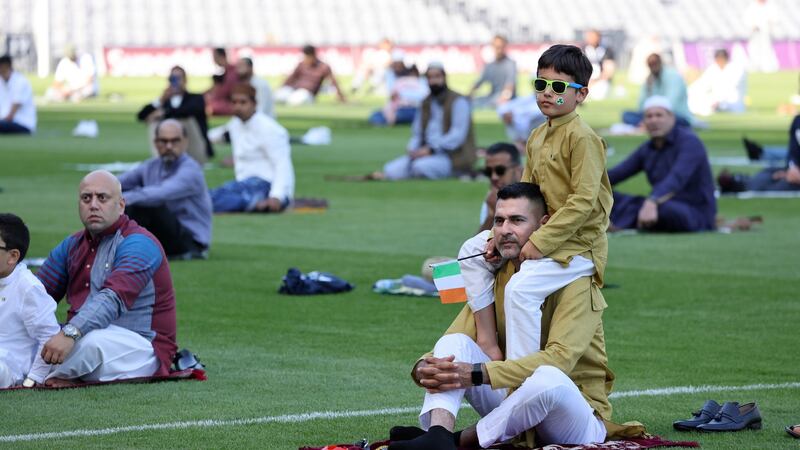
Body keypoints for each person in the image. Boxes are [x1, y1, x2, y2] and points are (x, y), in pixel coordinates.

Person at [388, 45, 633, 450]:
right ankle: (436, 436)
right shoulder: (537, 138)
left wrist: (540, 240)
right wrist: (425, 368)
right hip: (538, 257)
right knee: (463, 298)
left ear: (581, 95)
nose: (547, 92)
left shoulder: (584, 140)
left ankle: (459, 441)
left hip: (568, 399)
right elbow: (528, 195)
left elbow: (584, 201)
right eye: (540, 84)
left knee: (543, 375)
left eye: (558, 86)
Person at [35, 170, 178, 386]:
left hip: (140, 346)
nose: (93, 205)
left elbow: (112, 299)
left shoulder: (140, 244)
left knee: (91, 344)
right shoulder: (71, 245)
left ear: (121, 205)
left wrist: (69, 333)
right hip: (80, 337)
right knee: (31, 334)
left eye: (102, 198)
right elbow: (37, 295)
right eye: (86, 198)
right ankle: (57, 371)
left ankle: (43, 372)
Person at [609, 96, 717, 232]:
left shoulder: (690, 142)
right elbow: (618, 173)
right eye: (649, 116)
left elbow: (677, 178)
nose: (654, 120)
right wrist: (590, 185)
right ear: (643, 122)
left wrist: (652, 200)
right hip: (657, 204)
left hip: (694, 211)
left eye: (659, 115)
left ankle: (619, 221)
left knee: (663, 210)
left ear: (672, 118)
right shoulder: (647, 149)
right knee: (607, 197)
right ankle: (621, 219)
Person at [118, 119, 213, 260]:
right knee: (130, 204)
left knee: (145, 204)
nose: (169, 146)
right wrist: (98, 189)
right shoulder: (151, 166)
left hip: (191, 241)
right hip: (167, 232)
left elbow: (160, 193)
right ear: (156, 142)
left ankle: (122, 248)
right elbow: (117, 182)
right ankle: (114, 246)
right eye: (164, 141)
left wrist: (118, 200)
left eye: (175, 141)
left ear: (185, 142)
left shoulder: (191, 170)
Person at [374, 63, 476, 180]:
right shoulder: (425, 102)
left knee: (420, 167)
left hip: (451, 156)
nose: (434, 81)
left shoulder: (458, 101)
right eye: (430, 77)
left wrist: (432, 150)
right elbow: (417, 132)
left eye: (437, 76)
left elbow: (457, 135)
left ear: (444, 77)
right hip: (424, 153)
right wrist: (413, 149)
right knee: (391, 170)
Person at [208, 84, 295, 213]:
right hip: (244, 185)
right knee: (211, 196)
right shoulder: (236, 124)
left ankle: (257, 204)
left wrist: (277, 196)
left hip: (268, 185)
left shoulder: (270, 129)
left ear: (254, 104)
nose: (238, 107)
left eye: (243, 102)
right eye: (234, 102)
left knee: (216, 200)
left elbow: (282, 164)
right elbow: (216, 135)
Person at [0, 213, 60, 388]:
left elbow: (48, 336)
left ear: (13, 256)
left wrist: (33, 379)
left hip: (11, 369)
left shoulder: (28, 287)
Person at [137, 65, 214, 163]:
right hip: (171, 146)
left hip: (194, 149)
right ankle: (162, 158)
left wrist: (163, 113)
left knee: (184, 121)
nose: (175, 82)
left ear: (185, 80)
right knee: (154, 122)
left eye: (178, 78)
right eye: (172, 79)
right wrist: (160, 100)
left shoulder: (196, 98)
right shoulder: (165, 101)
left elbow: (186, 111)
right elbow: (141, 116)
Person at [718, 114, 800, 192]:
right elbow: (793, 152)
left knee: (773, 181)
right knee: (769, 175)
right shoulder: (797, 121)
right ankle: (762, 154)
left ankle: (762, 153)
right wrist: (792, 168)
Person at [622, 53, 692, 127]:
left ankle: (648, 124)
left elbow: (670, 104)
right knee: (626, 115)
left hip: (675, 114)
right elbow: (641, 106)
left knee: (661, 118)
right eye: (651, 65)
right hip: (654, 114)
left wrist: (653, 113)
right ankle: (649, 124)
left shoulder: (673, 76)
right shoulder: (650, 80)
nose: (653, 67)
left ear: (660, 63)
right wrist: (648, 89)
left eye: (655, 64)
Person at [274, 45, 346, 106]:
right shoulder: (301, 64)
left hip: (307, 94)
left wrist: (341, 97)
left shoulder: (323, 67)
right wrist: (281, 87)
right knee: (277, 96)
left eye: (307, 57)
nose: (305, 59)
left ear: (313, 55)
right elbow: (291, 78)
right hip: (294, 89)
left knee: (296, 100)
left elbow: (333, 82)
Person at [478, 143, 522, 232]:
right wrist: (491, 215)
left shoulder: (534, 196)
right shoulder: (493, 196)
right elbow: (481, 239)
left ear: (518, 170)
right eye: (488, 171)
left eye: (500, 170)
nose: (494, 177)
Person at [688, 49, 747, 116]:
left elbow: (729, 88)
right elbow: (701, 84)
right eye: (718, 59)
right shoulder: (713, 69)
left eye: (721, 59)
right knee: (695, 100)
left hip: (733, 103)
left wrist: (718, 101)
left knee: (709, 105)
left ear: (726, 59)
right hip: (716, 102)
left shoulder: (736, 69)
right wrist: (688, 92)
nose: (719, 62)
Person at [469, 35, 517, 109]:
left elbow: (510, 85)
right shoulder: (490, 66)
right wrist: (469, 93)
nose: (499, 50)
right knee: (471, 102)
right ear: (492, 47)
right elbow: (479, 82)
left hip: (506, 99)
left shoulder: (510, 64)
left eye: (501, 47)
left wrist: (504, 98)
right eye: (497, 47)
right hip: (492, 97)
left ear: (505, 47)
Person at [0, 55, 36, 135]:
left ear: (6, 67)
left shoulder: (20, 82)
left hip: (22, 123)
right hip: (5, 121)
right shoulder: (1, 81)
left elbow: (11, 114)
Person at [745, 0, 779, 73]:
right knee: (754, 49)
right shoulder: (752, 6)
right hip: (755, 33)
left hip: (766, 33)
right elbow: (747, 19)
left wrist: (770, 23)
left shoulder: (770, 6)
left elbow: (775, 19)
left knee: (766, 50)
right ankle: (754, 67)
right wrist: (753, 26)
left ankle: (767, 67)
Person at [583, 30, 616, 100]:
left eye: (594, 37)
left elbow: (609, 72)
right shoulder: (582, 51)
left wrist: (594, 81)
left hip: (600, 81)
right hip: (585, 81)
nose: (591, 39)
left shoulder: (607, 51)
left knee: (599, 94)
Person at [204, 48, 238, 116]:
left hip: (229, 103)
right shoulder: (227, 71)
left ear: (220, 56)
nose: (214, 60)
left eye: (214, 57)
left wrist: (211, 97)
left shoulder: (231, 72)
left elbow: (225, 92)